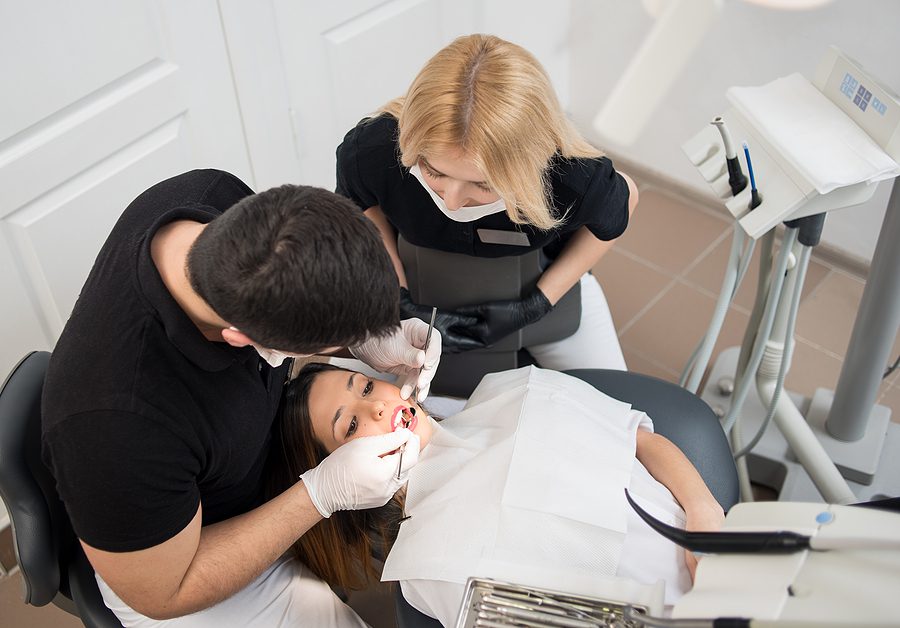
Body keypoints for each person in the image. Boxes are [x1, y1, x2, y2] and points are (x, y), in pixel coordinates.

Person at [41, 169, 441, 627]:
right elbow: (165, 592)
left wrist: (368, 338)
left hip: (241, 464)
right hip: (180, 561)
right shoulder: (115, 422)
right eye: (326, 347)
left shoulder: (211, 197)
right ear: (239, 337)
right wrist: (318, 496)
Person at [268, 362, 726, 626]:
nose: (378, 406)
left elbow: (644, 442)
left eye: (366, 386)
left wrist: (705, 514)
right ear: (339, 474)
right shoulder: (430, 565)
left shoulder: (513, 391)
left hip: (720, 552)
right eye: (350, 425)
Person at [336, 33, 639, 370]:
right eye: (434, 171)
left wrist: (538, 304)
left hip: (541, 289)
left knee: (609, 405)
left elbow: (621, 205)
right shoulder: (374, 150)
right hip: (418, 288)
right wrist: (396, 297)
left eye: (482, 184)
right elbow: (362, 208)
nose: (452, 202)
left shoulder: (570, 176)